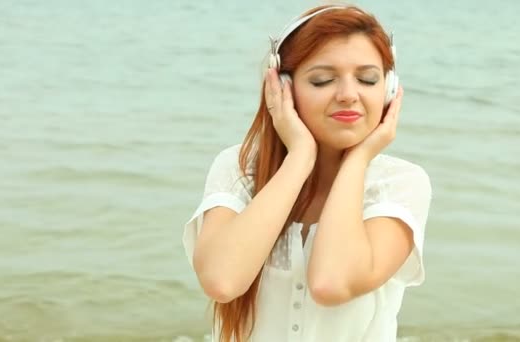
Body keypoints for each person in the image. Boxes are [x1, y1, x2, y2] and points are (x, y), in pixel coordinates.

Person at [183, 4, 432, 342]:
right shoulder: (239, 169)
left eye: (367, 79)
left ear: (389, 89)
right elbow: (222, 281)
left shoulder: (401, 184)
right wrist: (300, 157)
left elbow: (331, 282)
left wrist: (358, 160)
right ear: (283, 87)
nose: (348, 95)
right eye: (322, 80)